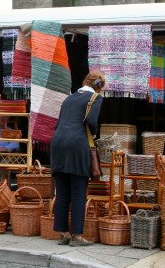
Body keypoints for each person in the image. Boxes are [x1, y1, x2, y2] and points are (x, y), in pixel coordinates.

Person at [50, 70, 106, 246]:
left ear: (85, 81)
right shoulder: (95, 98)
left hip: (58, 143)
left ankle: (63, 233)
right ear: (99, 87)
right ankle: (77, 236)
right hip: (76, 145)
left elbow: (59, 122)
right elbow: (91, 121)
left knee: (62, 192)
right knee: (78, 193)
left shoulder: (69, 98)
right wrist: (95, 134)